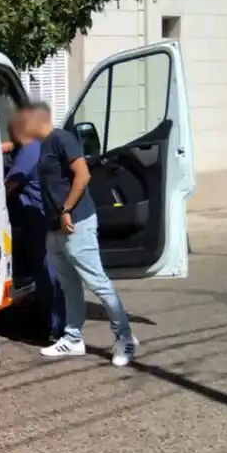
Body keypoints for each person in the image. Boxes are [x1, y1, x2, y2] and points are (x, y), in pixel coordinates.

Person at [17, 102, 138, 367]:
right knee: (68, 285)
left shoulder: (62, 138)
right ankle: (72, 338)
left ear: (37, 119)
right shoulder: (44, 144)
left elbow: (82, 175)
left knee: (97, 282)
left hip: (75, 222)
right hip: (55, 227)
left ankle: (125, 337)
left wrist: (66, 209)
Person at [4, 113, 66, 343]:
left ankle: (53, 329)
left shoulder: (29, 151)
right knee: (50, 273)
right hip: (44, 217)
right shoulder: (37, 147)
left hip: (38, 219)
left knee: (47, 273)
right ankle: (54, 326)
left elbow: (11, 184)